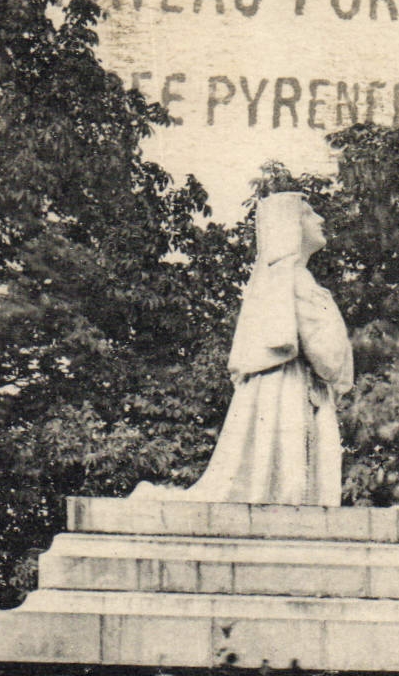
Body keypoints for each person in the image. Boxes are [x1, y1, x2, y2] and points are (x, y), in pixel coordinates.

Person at [133, 192, 353, 505]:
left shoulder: (281, 280)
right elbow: (329, 360)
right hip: (290, 388)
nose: (319, 220)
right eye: (308, 214)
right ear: (290, 225)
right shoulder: (296, 280)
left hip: (287, 387)